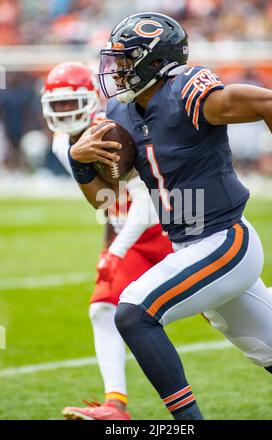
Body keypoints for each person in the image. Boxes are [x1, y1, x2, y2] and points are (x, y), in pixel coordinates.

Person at [67, 11, 272, 421]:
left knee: (134, 311)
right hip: (190, 244)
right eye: (116, 60)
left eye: (126, 59)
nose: (117, 69)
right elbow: (106, 197)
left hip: (224, 240)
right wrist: (80, 162)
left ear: (155, 61)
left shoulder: (188, 91)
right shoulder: (121, 113)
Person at [41, 61, 173, 420]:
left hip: (168, 225)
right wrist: (111, 245)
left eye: (72, 103)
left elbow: (145, 197)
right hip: (129, 230)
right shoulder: (61, 144)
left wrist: (114, 251)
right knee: (103, 307)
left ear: (90, 98)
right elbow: (107, 202)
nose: (66, 112)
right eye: (59, 105)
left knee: (221, 315)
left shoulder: (112, 129)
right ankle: (115, 404)